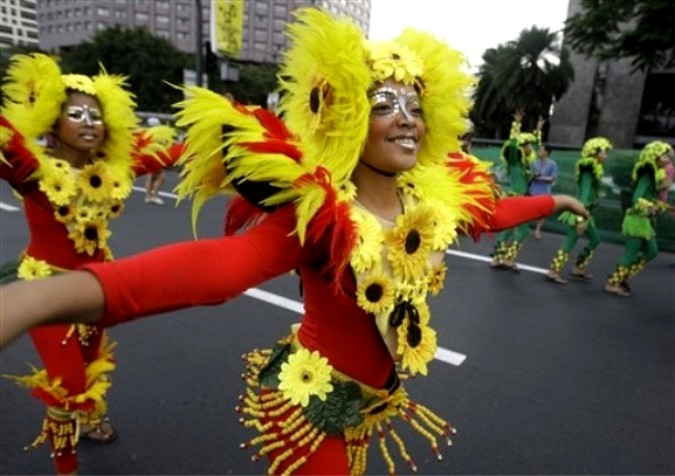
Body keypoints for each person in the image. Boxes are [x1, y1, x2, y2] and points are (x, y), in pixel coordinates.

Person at [0, 10, 587, 475]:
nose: (406, 118)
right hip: (308, 404)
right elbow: (219, 269)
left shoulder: (430, 203)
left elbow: (489, 214)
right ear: (345, 115)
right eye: (384, 104)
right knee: (71, 383)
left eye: (414, 105)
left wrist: (555, 202)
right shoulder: (319, 213)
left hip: (369, 402)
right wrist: (38, 301)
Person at [0, 53, 181, 475]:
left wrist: (227, 138)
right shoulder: (34, 171)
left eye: (95, 115)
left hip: (97, 287)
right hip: (46, 292)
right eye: (75, 113)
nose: (87, 122)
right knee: (66, 384)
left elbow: (171, 154)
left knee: (91, 361)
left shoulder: (115, 170)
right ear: (52, 122)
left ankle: (91, 413)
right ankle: (67, 467)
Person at [604, 141, 674, 297]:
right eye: (664, 156)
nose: (667, 159)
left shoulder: (654, 174)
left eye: (667, 156)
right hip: (636, 219)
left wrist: (667, 208)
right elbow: (637, 198)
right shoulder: (647, 174)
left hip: (645, 220)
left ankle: (622, 276)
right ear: (654, 157)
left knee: (652, 251)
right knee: (631, 252)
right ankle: (612, 283)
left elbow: (649, 198)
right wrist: (649, 206)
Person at [546, 137, 612, 285]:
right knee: (570, 241)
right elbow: (583, 196)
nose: (606, 155)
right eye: (603, 152)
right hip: (580, 212)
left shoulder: (594, 168)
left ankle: (578, 268)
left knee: (595, 240)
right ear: (594, 154)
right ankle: (554, 271)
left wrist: (594, 202)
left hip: (586, 212)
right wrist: (581, 219)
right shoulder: (588, 169)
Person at [490, 109, 545, 270]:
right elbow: (513, 143)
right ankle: (503, 258)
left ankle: (503, 258)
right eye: (527, 145)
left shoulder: (525, 165)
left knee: (515, 230)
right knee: (518, 230)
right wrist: (517, 124)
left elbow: (535, 144)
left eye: (529, 145)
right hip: (515, 198)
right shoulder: (514, 162)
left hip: (523, 198)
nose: (530, 147)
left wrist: (538, 130)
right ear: (521, 148)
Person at [528, 144, 558, 239]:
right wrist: (533, 176)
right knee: (529, 209)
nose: (539, 152)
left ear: (546, 152)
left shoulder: (552, 164)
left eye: (541, 150)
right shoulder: (534, 163)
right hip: (533, 190)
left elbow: (553, 178)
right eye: (539, 150)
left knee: (543, 212)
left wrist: (541, 178)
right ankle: (524, 228)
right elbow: (530, 177)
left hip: (544, 191)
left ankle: (537, 230)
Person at [143, 117, 167, 205]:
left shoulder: (145, 133)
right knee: (162, 176)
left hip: (147, 157)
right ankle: (154, 196)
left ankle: (148, 196)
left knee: (151, 177)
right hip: (155, 158)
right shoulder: (156, 134)